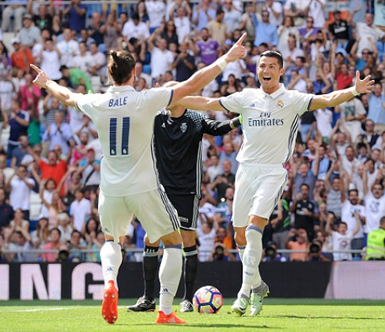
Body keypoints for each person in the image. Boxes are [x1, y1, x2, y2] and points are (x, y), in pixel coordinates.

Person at [29, 34, 246, 325]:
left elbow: (67, 96)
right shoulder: (147, 99)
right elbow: (192, 85)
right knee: (172, 242)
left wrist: (47, 82)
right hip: (144, 186)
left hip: (110, 188)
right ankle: (166, 311)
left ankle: (109, 282)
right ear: (135, 73)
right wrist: (226, 58)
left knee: (112, 240)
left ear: (109, 74)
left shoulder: (97, 101)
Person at [174, 50, 373, 316]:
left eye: (270, 66)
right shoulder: (246, 97)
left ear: (281, 71)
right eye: (261, 65)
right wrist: (172, 98)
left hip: (272, 172)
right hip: (245, 171)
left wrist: (353, 90)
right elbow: (209, 103)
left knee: (256, 229)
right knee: (240, 235)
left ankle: (243, 293)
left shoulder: (292, 99)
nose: (265, 70)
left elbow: (327, 100)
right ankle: (258, 286)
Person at [127, 81, 241, 313]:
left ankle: (187, 298)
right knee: (151, 238)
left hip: (187, 190)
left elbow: (218, 128)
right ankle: (148, 299)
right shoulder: (156, 118)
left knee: (187, 240)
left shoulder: (195, 119)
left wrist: (241, 119)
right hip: (159, 189)